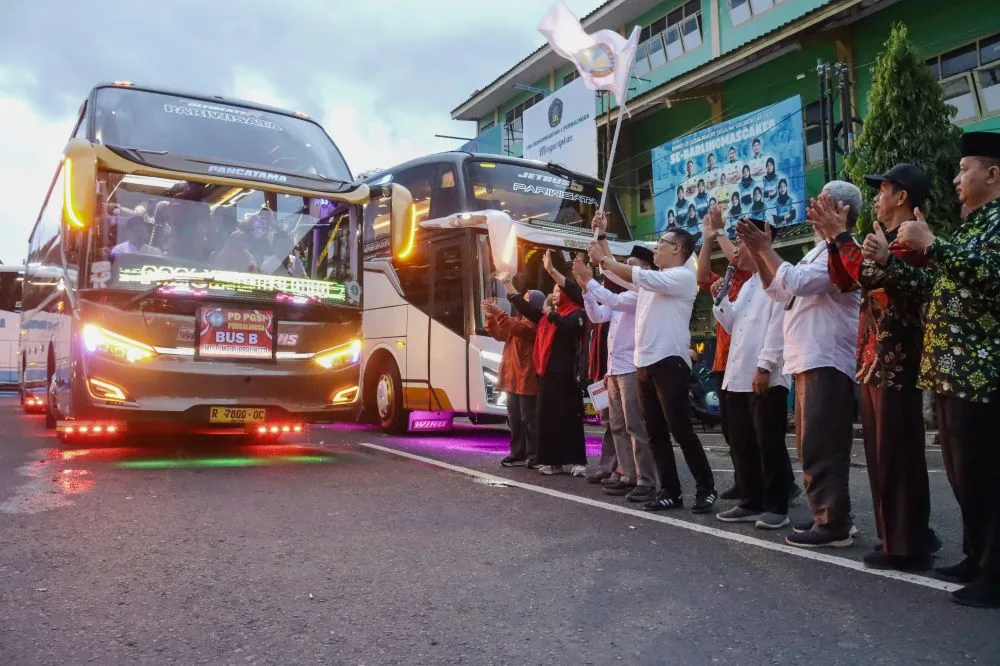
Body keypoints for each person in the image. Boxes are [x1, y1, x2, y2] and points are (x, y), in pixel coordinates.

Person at [887, 132, 1000, 607]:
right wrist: (890, 263)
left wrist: (933, 244)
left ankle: (996, 573)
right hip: (951, 371)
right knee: (964, 475)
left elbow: (991, 276)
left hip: (981, 371)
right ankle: (978, 556)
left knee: (987, 476)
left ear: (992, 174)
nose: (956, 179)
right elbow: (939, 285)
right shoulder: (973, 226)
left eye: (963, 169)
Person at [811, 163, 938, 572]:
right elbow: (846, 279)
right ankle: (900, 537)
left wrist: (839, 235)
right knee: (883, 455)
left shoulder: (912, 237)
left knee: (896, 455)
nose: (877, 199)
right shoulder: (887, 237)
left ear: (902, 196)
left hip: (894, 361)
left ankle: (907, 544)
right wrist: (834, 240)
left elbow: (867, 274)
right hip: (873, 359)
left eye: (883, 190)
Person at [737, 180, 863, 548]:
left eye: (821, 203)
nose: (811, 209)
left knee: (823, 446)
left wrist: (766, 249)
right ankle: (829, 514)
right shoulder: (817, 251)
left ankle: (834, 523)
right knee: (812, 446)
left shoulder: (840, 252)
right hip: (807, 357)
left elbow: (796, 282)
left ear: (840, 211)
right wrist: (761, 253)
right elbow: (779, 291)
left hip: (826, 357)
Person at [591, 219, 718, 514]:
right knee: (656, 432)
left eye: (662, 244)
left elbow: (629, 272)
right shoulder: (653, 280)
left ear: (677, 250)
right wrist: (602, 237)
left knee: (680, 429)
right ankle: (670, 492)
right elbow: (619, 274)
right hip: (644, 363)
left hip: (670, 362)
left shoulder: (682, 277)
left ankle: (706, 487)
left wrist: (605, 259)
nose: (657, 248)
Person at [712, 219, 795, 530]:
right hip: (737, 375)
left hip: (764, 376)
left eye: (740, 243)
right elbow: (733, 325)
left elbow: (778, 327)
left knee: (768, 444)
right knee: (742, 442)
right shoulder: (747, 284)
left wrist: (765, 366)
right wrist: (720, 300)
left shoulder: (778, 276)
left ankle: (776, 507)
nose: (735, 250)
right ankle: (751, 501)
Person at [573, 237, 658, 503]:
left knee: (634, 426)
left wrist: (590, 281)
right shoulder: (624, 296)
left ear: (645, 268)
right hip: (614, 368)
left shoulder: (639, 293)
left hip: (631, 367)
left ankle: (646, 479)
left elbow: (612, 299)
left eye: (631, 264)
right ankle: (626, 474)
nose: (626, 268)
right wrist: (586, 291)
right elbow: (598, 316)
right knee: (618, 425)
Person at [504, 253, 588, 477]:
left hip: (567, 375)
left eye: (560, 291)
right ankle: (553, 462)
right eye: (554, 291)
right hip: (546, 374)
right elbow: (524, 306)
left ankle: (577, 462)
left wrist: (551, 270)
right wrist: (506, 283)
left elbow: (569, 328)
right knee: (548, 420)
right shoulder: (546, 317)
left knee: (569, 418)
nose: (555, 294)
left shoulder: (577, 313)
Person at [697, 205, 749, 500]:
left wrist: (719, 233)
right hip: (723, 363)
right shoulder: (728, 282)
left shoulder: (754, 279)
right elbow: (702, 275)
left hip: (745, 363)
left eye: (741, 245)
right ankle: (744, 480)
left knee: (748, 429)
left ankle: (769, 484)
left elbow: (740, 259)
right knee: (731, 430)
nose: (736, 251)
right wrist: (707, 240)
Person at [483, 290, 545, 469]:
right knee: (515, 419)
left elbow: (516, 328)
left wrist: (497, 313)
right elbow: (499, 334)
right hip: (513, 377)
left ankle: (534, 455)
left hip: (527, 377)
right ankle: (518, 453)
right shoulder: (518, 321)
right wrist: (491, 317)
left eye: (525, 300)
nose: (520, 304)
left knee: (529, 419)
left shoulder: (535, 322)